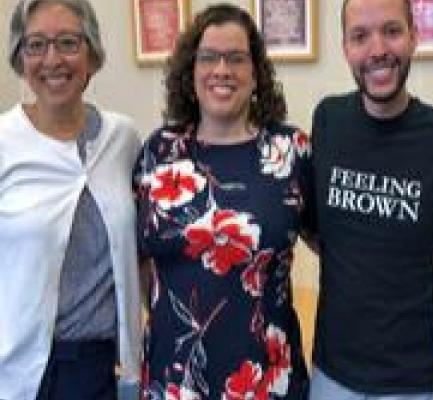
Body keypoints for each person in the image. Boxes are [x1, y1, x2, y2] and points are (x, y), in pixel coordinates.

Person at [133, 4, 311, 400]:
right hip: (175, 375)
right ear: (190, 71)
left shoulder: (291, 151)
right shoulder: (158, 152)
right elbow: (139, 257)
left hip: (266, 378)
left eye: (236, 58)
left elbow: (328, 241)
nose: (222, 70)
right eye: (209, 57)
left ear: (256, 74)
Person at [308, 0, 433, 398]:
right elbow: (320, 231)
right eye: (360, 36)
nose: (377, 49)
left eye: (392, 31)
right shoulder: (328, 121)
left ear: (414, 37)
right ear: (345, 47)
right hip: (332, 375)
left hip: (415, 382)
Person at [0, 0, 142, 399]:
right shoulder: (4, 141)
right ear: (19, 57)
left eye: (67, 43)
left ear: (92, 55)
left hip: (103, 365)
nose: (52, 59)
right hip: (21, 369)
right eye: (35, 45)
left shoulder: (122, 138)